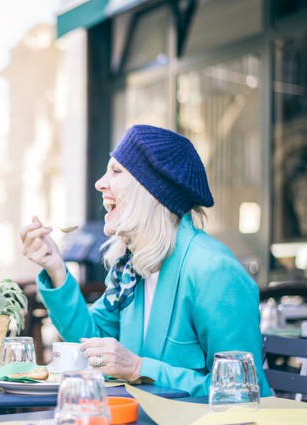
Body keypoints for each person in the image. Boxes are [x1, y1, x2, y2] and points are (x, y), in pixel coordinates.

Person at [20, 124, 271, 397]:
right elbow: (90, 343)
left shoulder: (214, 270)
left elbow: (244, 393)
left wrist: (139, 368)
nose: (99, 183)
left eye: (116, 171)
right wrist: (56, 268)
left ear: (151, 192)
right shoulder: (132, 267)